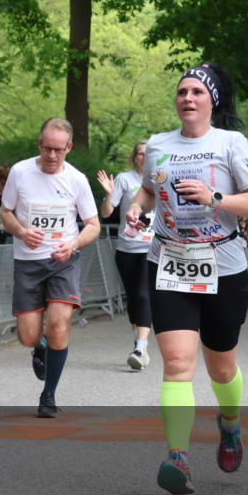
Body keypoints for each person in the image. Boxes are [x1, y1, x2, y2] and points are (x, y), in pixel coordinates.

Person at [125, 62, 248, 495]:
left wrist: (216, 198)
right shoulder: (158, 145)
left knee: (221, 366)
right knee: (177, 363)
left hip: (223, 263)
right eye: (182, 91)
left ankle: (229, 424)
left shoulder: (231, 142)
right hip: (169, 259)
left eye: (197, 92)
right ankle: (178, 457)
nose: (187, 98)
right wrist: (137, 207)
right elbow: (149, 189)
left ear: (212, 101)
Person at [0, 118, 100, 417]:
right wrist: (20, 231)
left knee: (58, 325)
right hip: (28, 263)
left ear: (68, 148)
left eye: (59, 150)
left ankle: (49, 396)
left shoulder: (77, 180)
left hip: (63, 262)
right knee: (28, 336)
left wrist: (73, 245)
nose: (52, 156)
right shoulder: (20, 172)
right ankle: (39, 346)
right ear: (39, 145)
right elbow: (5, 212)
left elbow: (93, 225)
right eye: (47, 148)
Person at [97, 141, 155, 370]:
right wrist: (109, 195)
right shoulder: (124, 179)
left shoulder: (160, 179)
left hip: (151, 247)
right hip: (126, 247)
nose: (143, 157)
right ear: (135, 157)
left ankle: (140, 347)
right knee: (133, 297)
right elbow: (106, 213)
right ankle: (140, 343)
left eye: (147, 154)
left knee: (143, 294)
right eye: (139, 154)